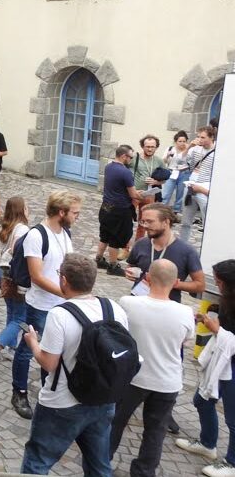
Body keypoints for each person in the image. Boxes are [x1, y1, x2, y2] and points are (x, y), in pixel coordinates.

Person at [20, 253, 127, 476]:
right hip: (103, 400)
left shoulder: (60, 315)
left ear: (64, 281)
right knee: (99, 465)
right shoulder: (115, 309)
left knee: (37, 462)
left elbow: (49, 363)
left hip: (62, 403)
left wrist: (33, 343)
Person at [110, 259, 195, 477]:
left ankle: (103, 459)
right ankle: (144, 471)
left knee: (116, 421)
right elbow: (185, 341)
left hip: (134, 377)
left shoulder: (127, 303)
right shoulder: (186, 312)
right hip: (167, 381)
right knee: (155, 431)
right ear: (176, 282)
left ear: (147, 278)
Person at [11, 191, 81, 420]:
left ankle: (48, 389)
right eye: (75, 213)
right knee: (27, 348)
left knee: (55, 349)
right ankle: (19, 392)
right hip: (41, 305)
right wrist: (67, 293)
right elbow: (37, 276)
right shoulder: (37, 236)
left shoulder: (64, 232)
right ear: (61, 212)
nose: (77, 217)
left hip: (61, 304)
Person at [176, 260, 235, 477]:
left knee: (233, 416)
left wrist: (217, 330)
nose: (217, 285)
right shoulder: (228, 299)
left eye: (220, 282)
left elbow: (227, 334)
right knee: (201, 400)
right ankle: (207, 444)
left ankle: (232, 463)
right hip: (222, 360)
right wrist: (206, 319)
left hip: (232, 364)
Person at [125, 203, 205, 303]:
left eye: (150, 222)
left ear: (166, 222)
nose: (145, 225)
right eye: (143, 221)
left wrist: (174, 283)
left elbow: (200, 285)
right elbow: (130, 266)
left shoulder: (187, 251)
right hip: (138, 302)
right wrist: (129, 272)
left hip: (168, 307)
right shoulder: (140, 244)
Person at [0, 196, 30, 371]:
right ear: (21, 209)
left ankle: (12, 348)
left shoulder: (8, 227)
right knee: (20, 317)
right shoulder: (23, 230)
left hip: (1, 273)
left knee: (12, 311)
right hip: (14, 274)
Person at [96, 145, 141, 277]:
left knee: (104, 235)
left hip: (105, 207)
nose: (131, 160)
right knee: (116, 238)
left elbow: (118, 188)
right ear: (123, 156)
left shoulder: (109, 167)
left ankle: (98, 259)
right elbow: (133, 194)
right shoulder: (125, 172)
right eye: (130, 157)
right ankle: (113, 265)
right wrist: (142, 195)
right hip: (119, 210)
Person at [180, 125, 216, 242]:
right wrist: (189, 146)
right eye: (198, 137)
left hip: (206, 185)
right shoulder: (195, 149)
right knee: (185, 220)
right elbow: (180, 160)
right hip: (191, 184)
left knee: (207, 220)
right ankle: (183, 245)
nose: (200, 139)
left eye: (203, 137)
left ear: (211, 138)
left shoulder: (217, 151)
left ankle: (208, 245)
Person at [161, 131, 191, 214]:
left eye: (184, 141)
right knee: (166, 193)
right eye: (180, 141)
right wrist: (168, 155)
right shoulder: (170, 149)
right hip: (171, 172)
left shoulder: (189, 150)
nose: (182, 143)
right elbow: (164, 161)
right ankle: (162, 210)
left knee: (180, 194)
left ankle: (176, 212)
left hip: (184, 172)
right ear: (175, 142)